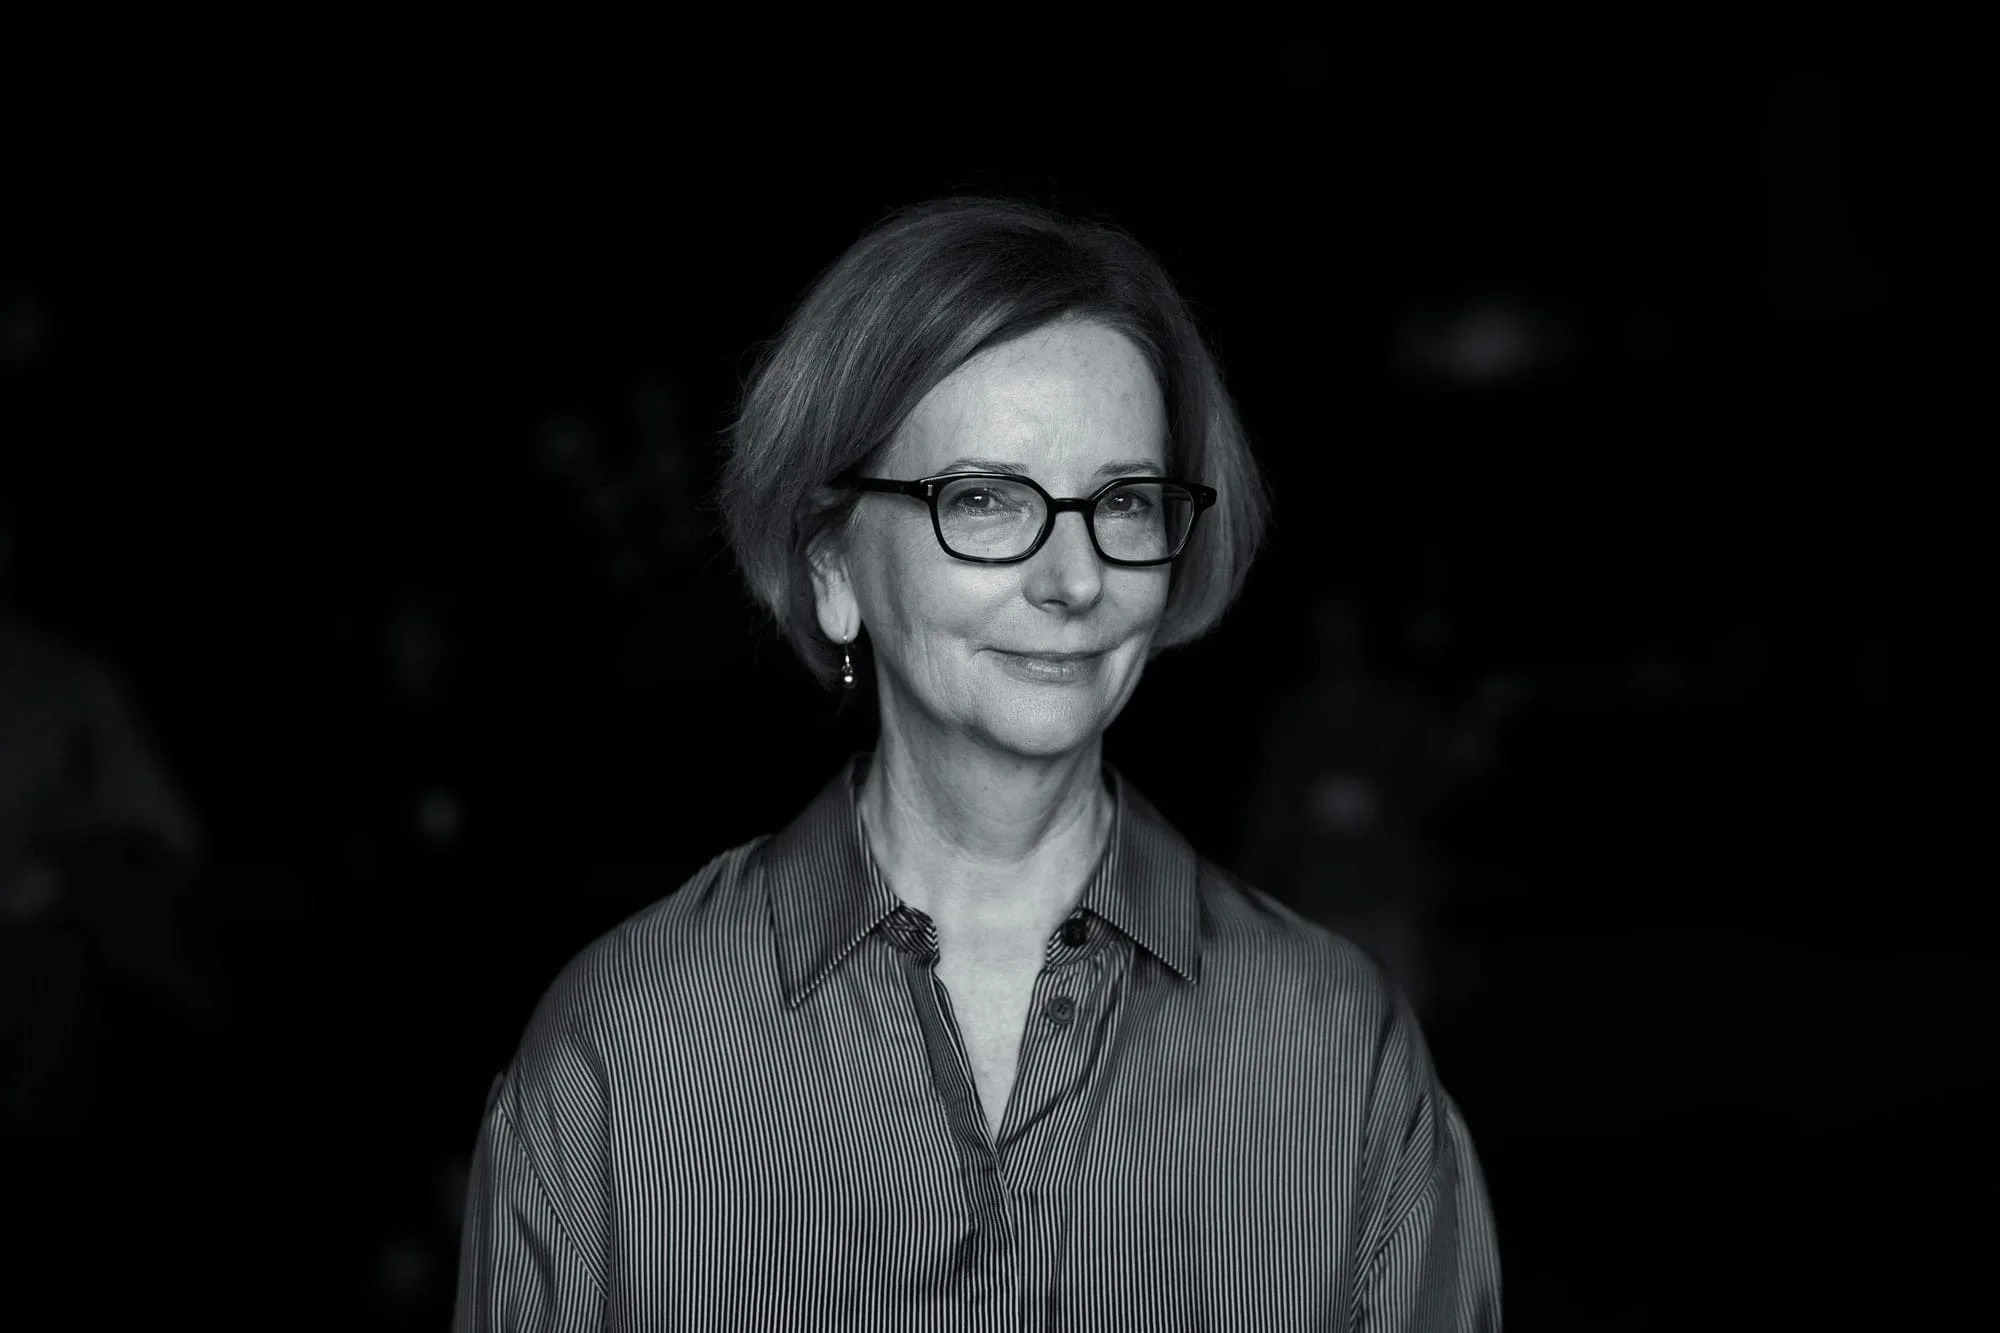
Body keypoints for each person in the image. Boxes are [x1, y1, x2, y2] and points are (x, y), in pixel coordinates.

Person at [454, 198, 1501, 1331]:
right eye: (987, 499)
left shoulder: (1336, 1050)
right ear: (832, 567)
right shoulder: (618, 1053)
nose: (1074, 579)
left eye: (1123, 502)